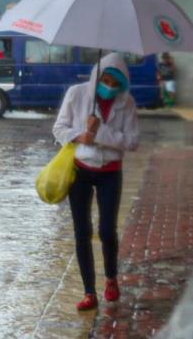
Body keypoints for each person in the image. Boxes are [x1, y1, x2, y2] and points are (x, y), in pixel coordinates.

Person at [53, 52, 140, 311]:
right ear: (96, 77)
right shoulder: (77, 94)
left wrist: (101, 133)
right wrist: (81, 135)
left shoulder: (128, 103)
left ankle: (111, 278)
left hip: (110, 172)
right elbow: (59, 128)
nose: (109, 88)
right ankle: (89, 291)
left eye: (116, 84)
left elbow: (132, 141)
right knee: (82, 231)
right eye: (105, 81)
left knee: (106, 230)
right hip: (80, 170)